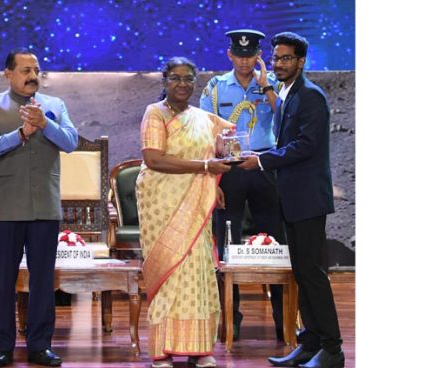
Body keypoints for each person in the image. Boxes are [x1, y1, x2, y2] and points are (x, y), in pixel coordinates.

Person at [239, 32, 344, 368]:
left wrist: (261, 160)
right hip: (293, 198)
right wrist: (258, 154)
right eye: (276, 58)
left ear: (301, 61)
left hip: (308, 199)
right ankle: (311, 343)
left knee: (312, 274)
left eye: (286, 58)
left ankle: (333, 349)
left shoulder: (311, 96)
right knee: (300, 272)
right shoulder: (288, 94)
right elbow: (287, 145)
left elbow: (306, 146)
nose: (279, 63)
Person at [0, 48, 78, 368]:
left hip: (44, 206)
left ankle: (40, 345)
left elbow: (71, 142)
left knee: (43, 279)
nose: (33, 76)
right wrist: (20, 133)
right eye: (24, 70)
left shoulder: (54, 107)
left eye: (36, 69)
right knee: (3, 279)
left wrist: (45, 125)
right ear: (7, 73)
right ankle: (2, 346)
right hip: (4, 207)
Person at [137, 57, 233, 368]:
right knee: (171, 271)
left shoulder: (204, 118)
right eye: (175, 78)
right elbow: (154, 159)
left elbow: (218, 151)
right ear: (164, 81)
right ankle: (163, 349)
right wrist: (205, 168)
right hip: (162, 204)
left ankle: (198, 348)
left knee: (198, 271)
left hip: (196, 204)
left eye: (188, 79)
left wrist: (213, 181)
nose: (182, 84)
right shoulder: (155, 114)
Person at [199, 29, 286, 341]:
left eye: (251, 56)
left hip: (266, 166)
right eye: (240, 55)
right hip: (232, 169)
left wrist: (268, 89)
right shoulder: (215, 88)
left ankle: (283, 318)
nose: (245, 61)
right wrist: (214, 179)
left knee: (277, 241)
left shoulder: (275, 86)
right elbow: (205, 134)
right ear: (230, 55)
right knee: (227, 243)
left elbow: (288, 121)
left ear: (258, 57)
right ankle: (229, 318)